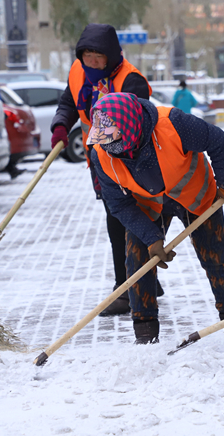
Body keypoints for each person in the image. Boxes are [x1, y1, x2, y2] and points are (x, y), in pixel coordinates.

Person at [87, 92, 224, 347]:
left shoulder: (173, 124)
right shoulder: (101, 154)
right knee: (137, 261)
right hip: (147, 203)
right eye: (103, 139)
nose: (109, 146)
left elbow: (218, 141)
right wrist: (151, 237)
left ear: (129, 126)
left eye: (113, 138)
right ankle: (145, 330)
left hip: (196, 193)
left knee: (216, 256)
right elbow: (118, 203)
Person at [49, 23, 162, 316]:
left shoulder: (130, 80)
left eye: (98, 57)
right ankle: (143, 278)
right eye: (86, 56)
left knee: (124, 222)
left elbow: (139, 127)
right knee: (118, 222)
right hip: (99, 163)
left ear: (111, 56)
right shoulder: (78, 71)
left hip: (128, 163)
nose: (92, 63)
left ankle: (126, 288)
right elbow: (69, 102)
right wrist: (61, 125)